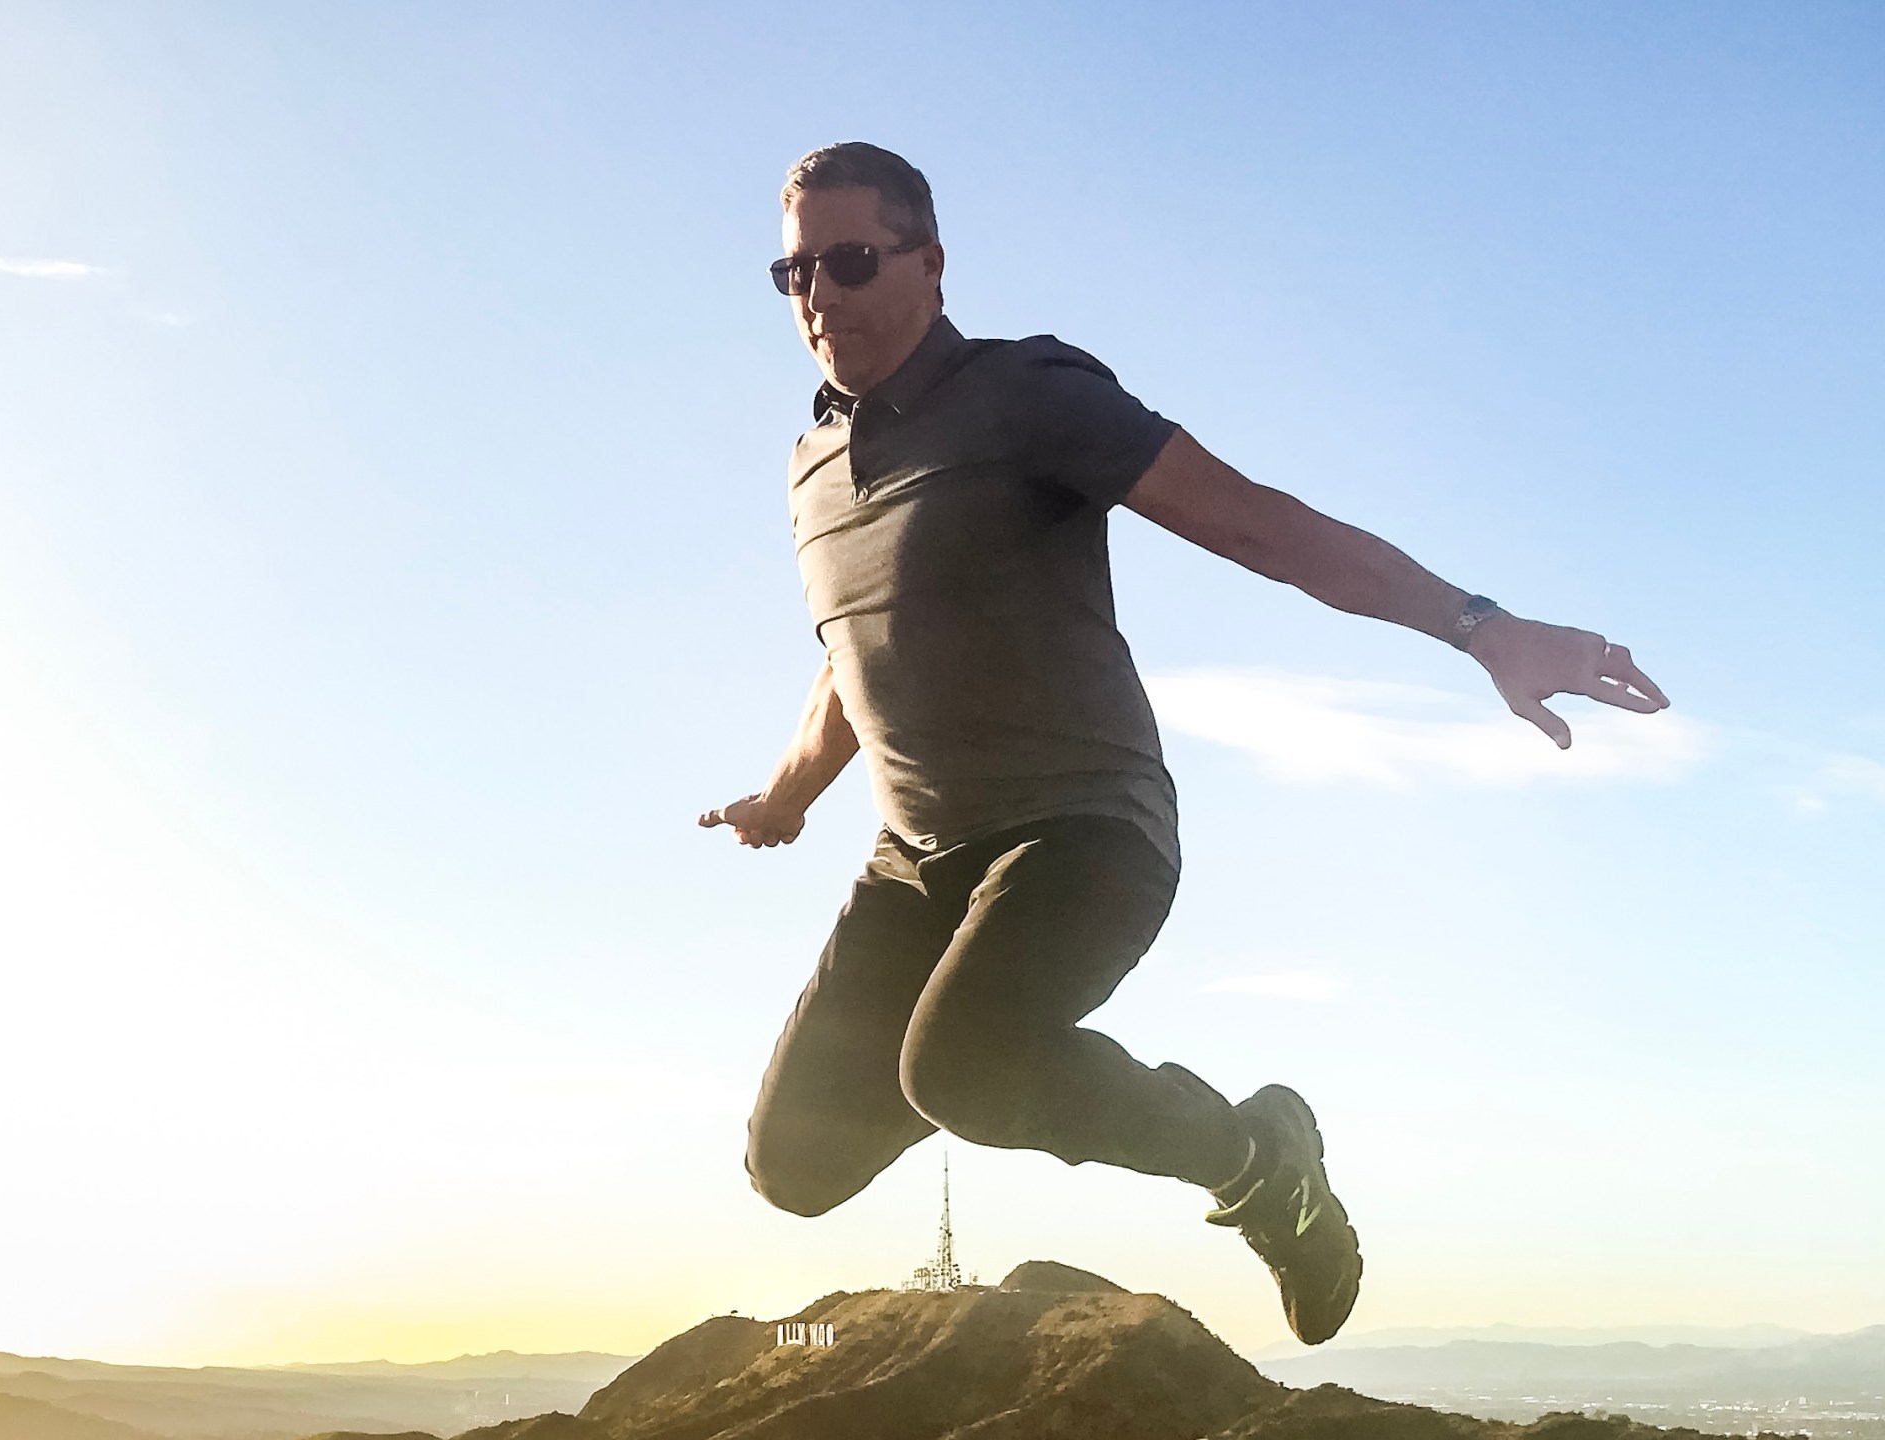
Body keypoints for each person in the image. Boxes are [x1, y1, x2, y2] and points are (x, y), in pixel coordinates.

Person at [700, 143, 1669, 1345]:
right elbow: (853, 656)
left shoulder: (1030, 395)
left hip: (1082, 831)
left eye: (849, 261)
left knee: (957, 1069)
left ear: (932, 263)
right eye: (792, 271)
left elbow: (1262, 526)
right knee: (791, 1164)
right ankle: (985, 1060)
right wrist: (788, 796)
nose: (819, 296)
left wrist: (1480, 627)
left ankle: (1258, 1161)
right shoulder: (814, 468)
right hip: (917, 860)